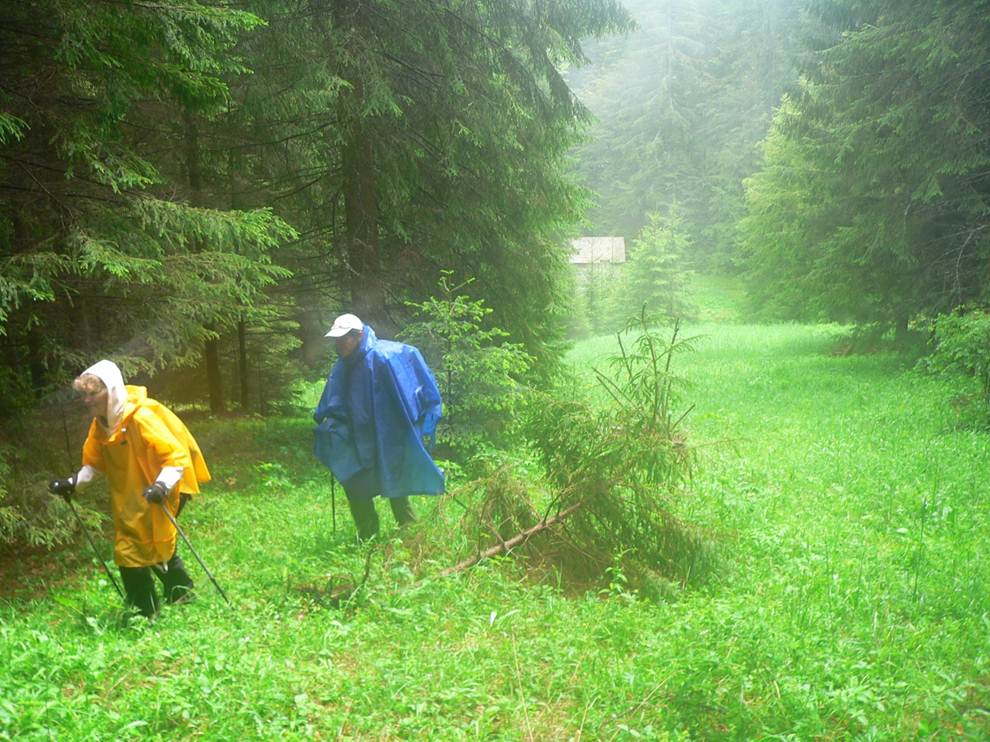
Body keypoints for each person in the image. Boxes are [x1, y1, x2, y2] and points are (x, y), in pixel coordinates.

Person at [49, 360, 210, 617]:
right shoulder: (101, 425)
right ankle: (165, 601)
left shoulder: (141, 417)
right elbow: (94, 464)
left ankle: (154, 607)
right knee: (134, 547)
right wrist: (72, 484)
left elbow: (174, 458)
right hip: (133, 494)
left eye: (93, 393)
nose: (87, 400)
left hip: (165, 488)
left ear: (111, 390)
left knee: (148, 544)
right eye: (84, 395)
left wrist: (162, 485)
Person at [313, 313, 444, 540]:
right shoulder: (343, 365)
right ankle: (368, 537)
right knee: (355, 485)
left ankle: (411, 535)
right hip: (357, 437)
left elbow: (406, 397)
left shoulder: (383, 357)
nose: (339, 344)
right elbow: (334, 400)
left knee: (396, 482)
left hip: (388, 436)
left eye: (344, 338)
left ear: (358, 335)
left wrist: (412, 428)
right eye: (337, 339)